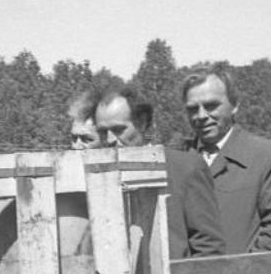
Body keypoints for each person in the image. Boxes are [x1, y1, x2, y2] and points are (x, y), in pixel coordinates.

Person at [93, 86, 225, 258]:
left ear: (142, 123)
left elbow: (209, 248)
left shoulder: (184, 168)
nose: (109, 139)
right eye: (103, 132)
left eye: (119, 130)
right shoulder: (96, 179)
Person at [179, 68, 271, 253]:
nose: (201, 116)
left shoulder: (267, 157)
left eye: (211, 106)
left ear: (234, 105)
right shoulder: (177, 160)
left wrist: (249, 268)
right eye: (192, 109)